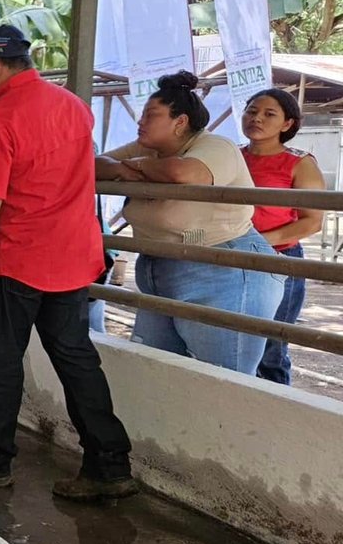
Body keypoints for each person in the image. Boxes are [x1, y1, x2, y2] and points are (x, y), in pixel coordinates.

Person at [0, 25, 135, 500]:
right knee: (77, 359)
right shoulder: (74, 107)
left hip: (15, 258)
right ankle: (109, 464)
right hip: (73, 257)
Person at [97, 71, 284, 376]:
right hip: (160, 267)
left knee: (223, 377)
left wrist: (135, 168)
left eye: (150, 115)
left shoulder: (216, 146)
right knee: (156, 369)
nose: (140, 122)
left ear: (180, 122)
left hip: (222, 269)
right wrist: (125, 169)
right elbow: (92, 164)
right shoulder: (146, 149)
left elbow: (184, 173)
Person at [241, 89, 324, 384]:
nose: (256, 119)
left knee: (271, 347)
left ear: (287, 124)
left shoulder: (300, 163)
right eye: (252, 111)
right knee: (229, 335)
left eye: (269, 114)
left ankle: (273, 403)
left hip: (278, 259)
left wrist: (256, 244)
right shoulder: (231, 156)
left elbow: (311, 222)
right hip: (228, 257)